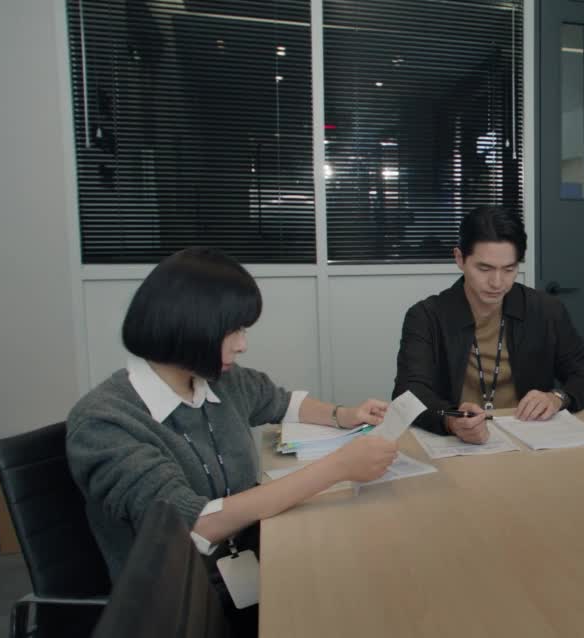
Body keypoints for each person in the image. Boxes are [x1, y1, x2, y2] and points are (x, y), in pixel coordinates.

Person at [67, 248, 398, 625]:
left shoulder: (216, 379)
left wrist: (343, 415)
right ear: (188, 324)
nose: (242, 345)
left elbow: (283, 402)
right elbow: (195, 525)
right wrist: (338, 468)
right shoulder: (104, 421)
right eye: (233, 330)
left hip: (248, 561)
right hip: (179, 607)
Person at [394, 206, 584, 443]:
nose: (497, 282)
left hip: (530, 436)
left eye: (509, 269)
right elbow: (409, 393)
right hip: (457, 442)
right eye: (484, 269)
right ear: (460, 259)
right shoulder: (426, 316)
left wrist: (557, 398)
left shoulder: (545, 310)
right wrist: (450, 420)